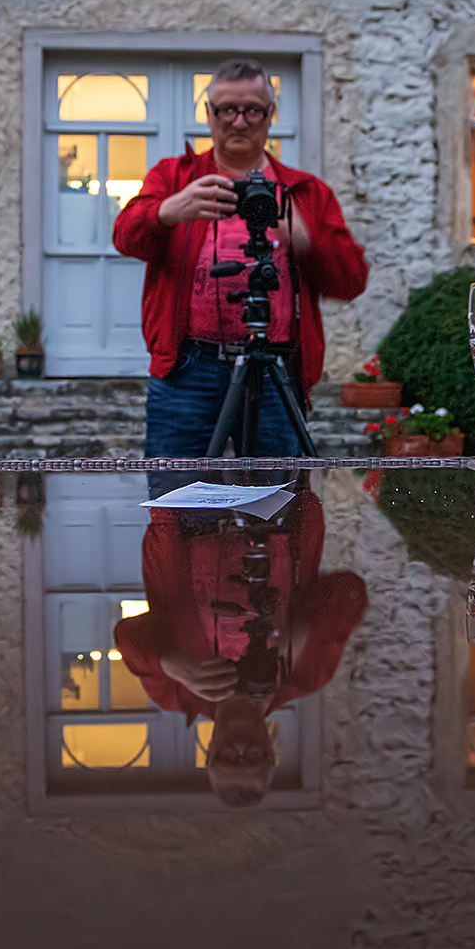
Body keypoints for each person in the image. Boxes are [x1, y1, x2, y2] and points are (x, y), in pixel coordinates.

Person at [112, 57, 368, 457]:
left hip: (276, 366)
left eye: (252, 110)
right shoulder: (175, 178)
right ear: (209, 114)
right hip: (188, 368)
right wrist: (166, 211)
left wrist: (306, 241)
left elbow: (352, 281)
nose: (239, 121)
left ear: (271, 116)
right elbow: (125, 238)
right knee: (175, 500)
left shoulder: (305, 192)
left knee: (281, 504)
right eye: (227, 109)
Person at [114, 488, 367, 806]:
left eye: (227, 759)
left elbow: (126, 636)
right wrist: (301, 632)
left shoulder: (174, 694)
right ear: (271, 753)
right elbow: (351, 592)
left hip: (183, 512)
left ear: (208, 753)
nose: (240, 749)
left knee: (177, 442)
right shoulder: (304, 677)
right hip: (279, 512)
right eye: (253, 758)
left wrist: (170, 663)